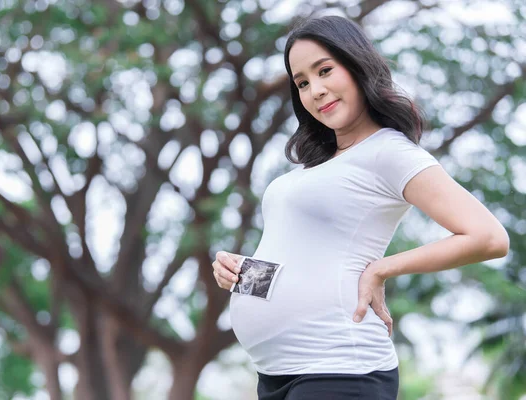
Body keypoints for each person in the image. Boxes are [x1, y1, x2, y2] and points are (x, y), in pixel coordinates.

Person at [211, 15, 510, 400]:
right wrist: (241, 275)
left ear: (357, 65)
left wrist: (382, 268)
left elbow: (488, 237)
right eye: (302, 82)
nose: (315, 90)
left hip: (339, 368)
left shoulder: (389, 152)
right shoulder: (316, 166)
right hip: (276, 374)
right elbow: (307, 258)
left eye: (325, 71)